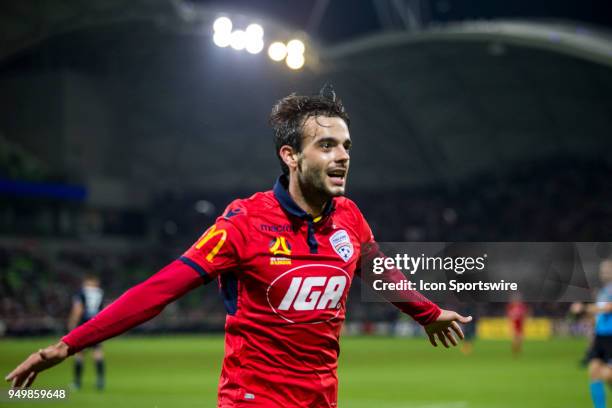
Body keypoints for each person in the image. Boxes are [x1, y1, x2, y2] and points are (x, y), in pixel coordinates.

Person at [5, 85, 471, 407]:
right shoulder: (244, 223)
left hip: (322, 398)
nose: (343, 156)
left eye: (346, 145)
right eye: (327, 145)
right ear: (290, 156)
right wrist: (68, 345)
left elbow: (379, 270)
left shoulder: (350, 218)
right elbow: (160, 290)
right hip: (254, 400)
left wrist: (427, 312)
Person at [571, 259, 612, 408]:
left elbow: (608, 308)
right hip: (601, 337)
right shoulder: (602, 292)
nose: (604, 272)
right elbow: (600, 314)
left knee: (608, 375)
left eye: (608, 269)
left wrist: (584, 308)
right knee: (594, 372)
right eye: (603, 270)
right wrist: (586, 316)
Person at [67, 276, 105, 390]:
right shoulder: (100, 293)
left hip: (84, 324)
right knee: (97, 352)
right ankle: (100, 382)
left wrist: (72, 325)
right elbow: (104, 309)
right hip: (97, 324)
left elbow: (78, 309)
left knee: (79, 353)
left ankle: (77, 383)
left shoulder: (82, 293)